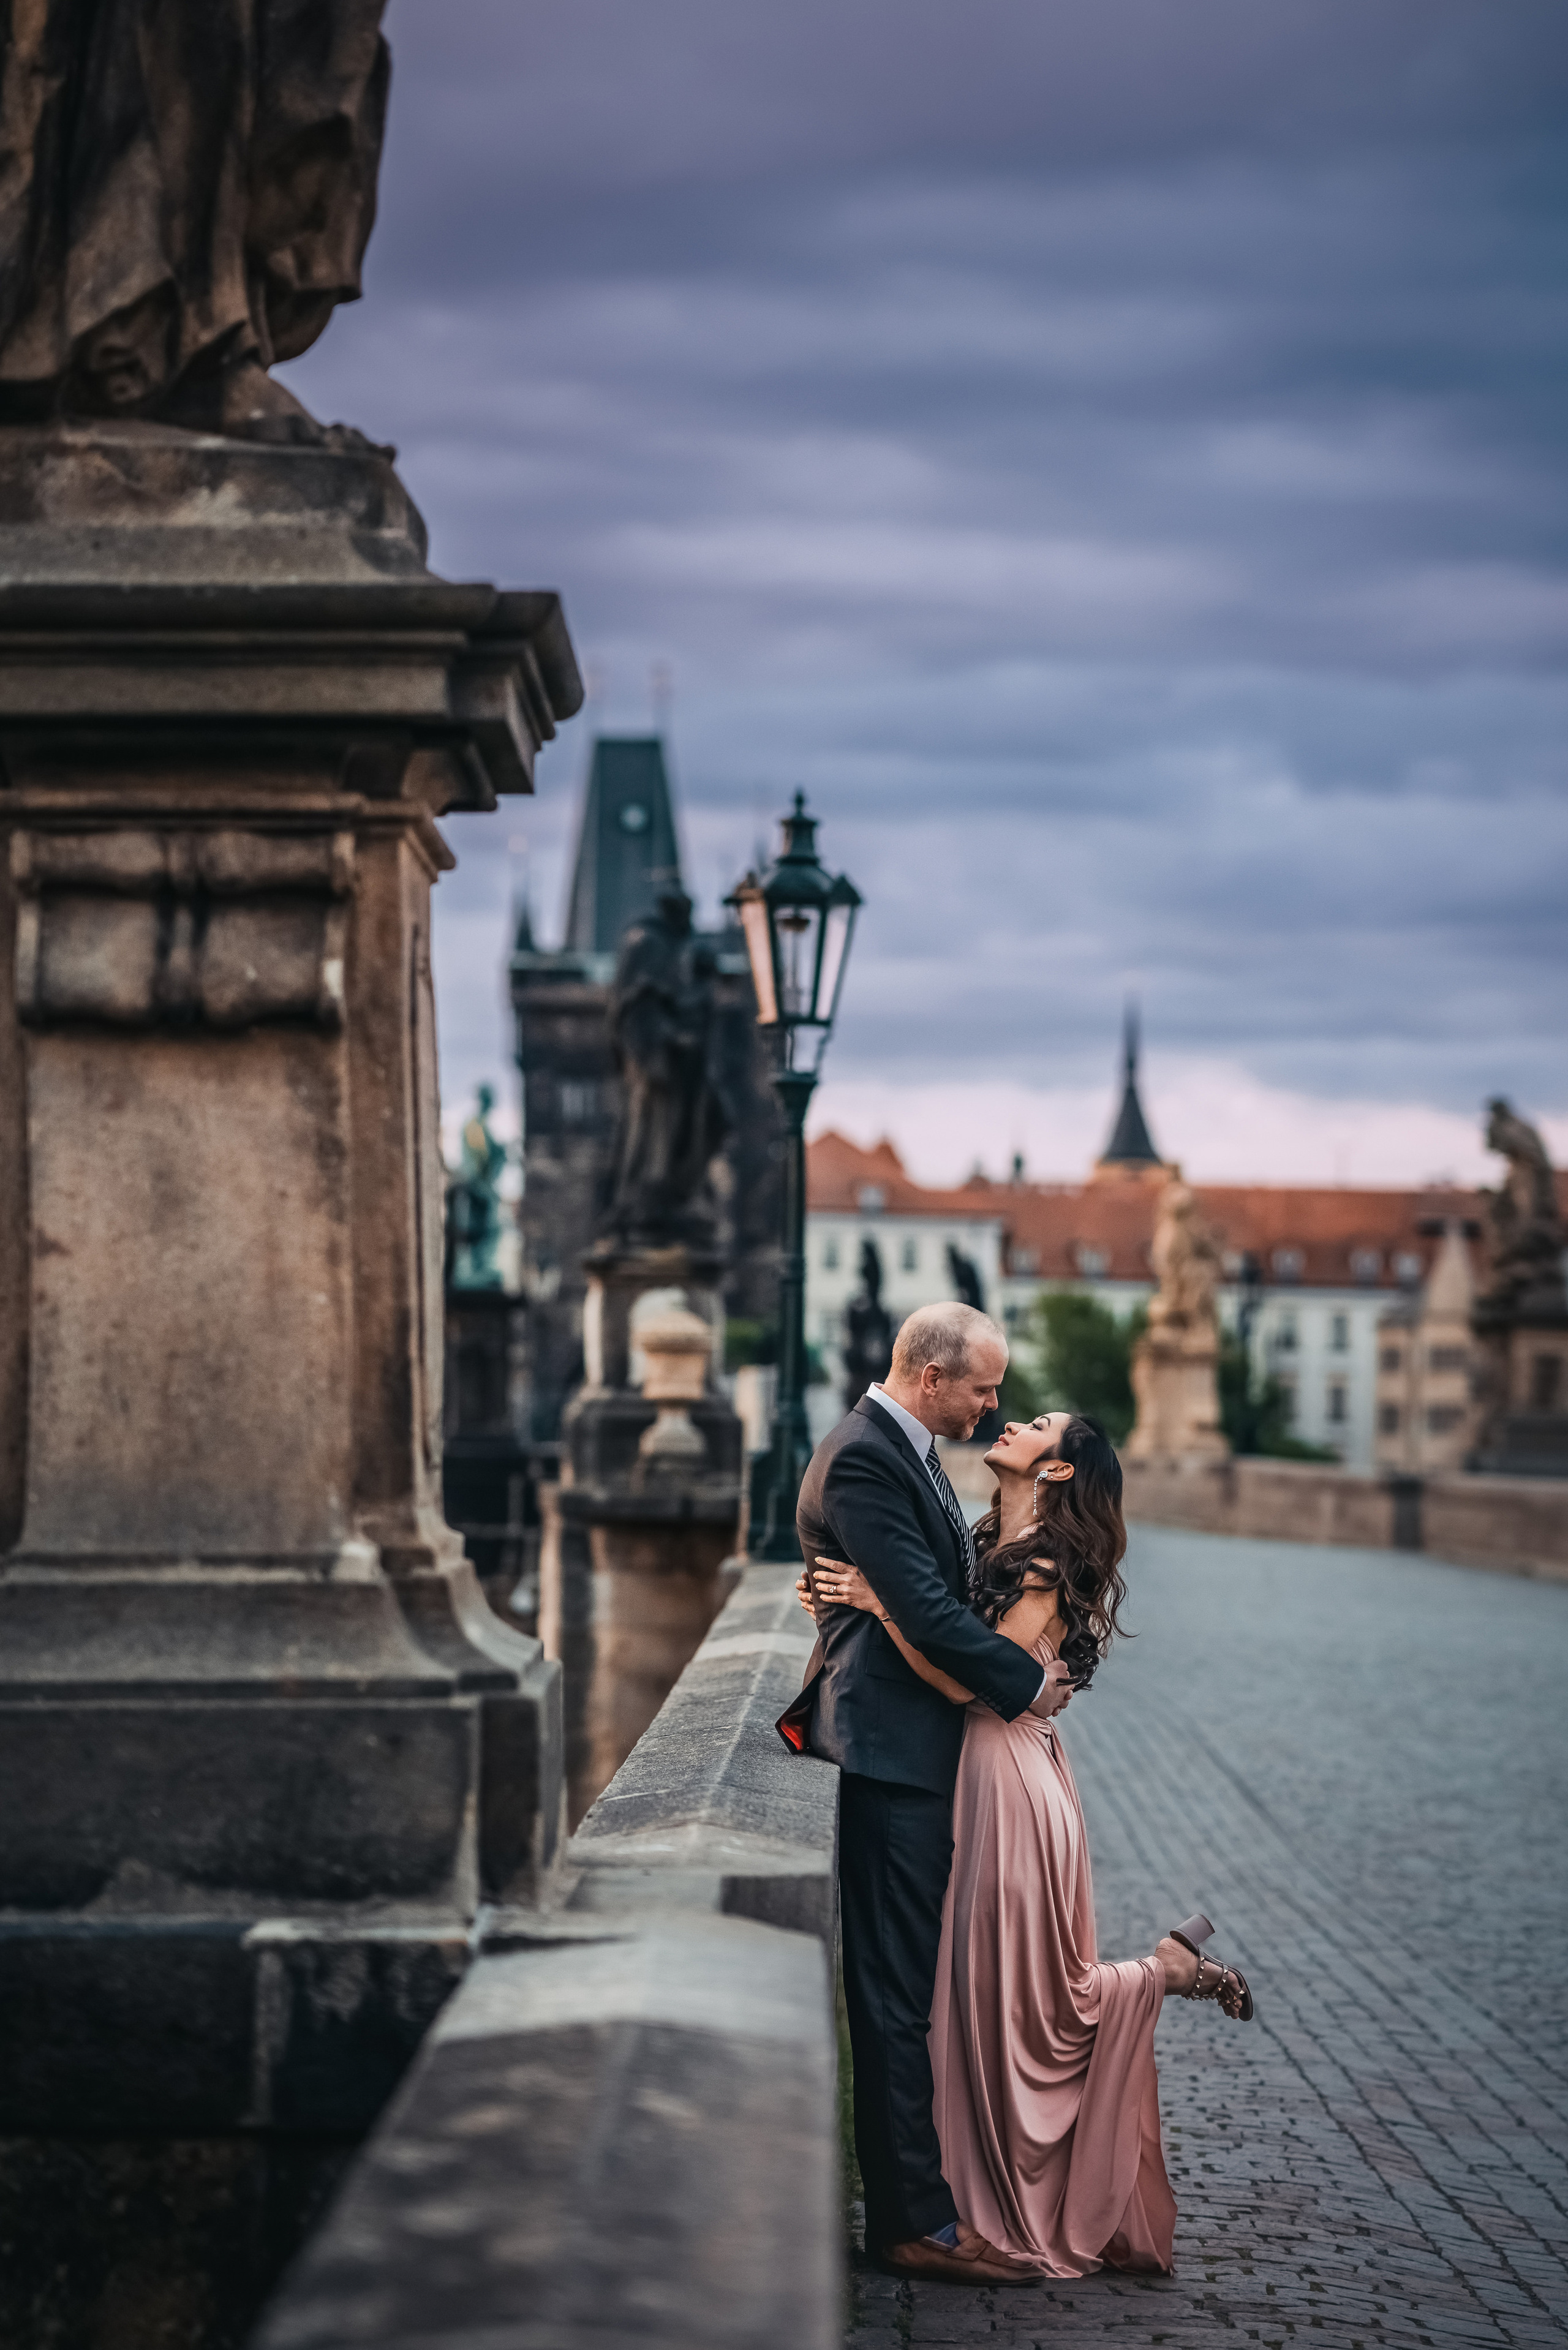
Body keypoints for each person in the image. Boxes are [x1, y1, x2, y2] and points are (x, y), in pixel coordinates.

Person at [807, 1407, 1253, 2280]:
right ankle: (962, 2184)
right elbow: (943, 1626)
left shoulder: (1046, 1562)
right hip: (976, 1771)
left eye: (1037, 1422)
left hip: (1007, 1783)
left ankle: (1164, 1968)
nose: (1011, 1419)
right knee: (983, 1990)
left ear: (1055, 1472)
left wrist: (874, 1596)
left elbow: (972, 1678)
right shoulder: (985, 1537)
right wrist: (860, 1596)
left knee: (1038, 2001)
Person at [793, 1303, 1077, 2286]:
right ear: (929, 1377)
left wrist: (872, 1600)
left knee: (901, 1987)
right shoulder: (872, 1455)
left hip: (906, 1745)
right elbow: (933, 1615)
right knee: (893, 1993)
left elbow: (929, 1595)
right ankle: (912, 2223)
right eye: (982, 1387)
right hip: (892, 1752)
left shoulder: (895, 1448)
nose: (994, 1403)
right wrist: (1031, 1688)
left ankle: (920, 2208)